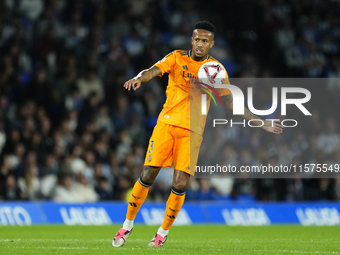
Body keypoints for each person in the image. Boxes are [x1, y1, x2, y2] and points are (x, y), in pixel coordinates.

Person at [112, 21, 283, 248]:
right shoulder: (177, 57)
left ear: (211, 43)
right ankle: (127, 226)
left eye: (205, 40)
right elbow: (152, 70)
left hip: (192, 132)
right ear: (191, 39)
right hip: (166, 125)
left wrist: (262, 123)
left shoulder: (217, 71)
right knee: (148, 174)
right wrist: (138, 78)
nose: (199, 44)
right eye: (196, 39)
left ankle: (162, 233)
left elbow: (232, 104)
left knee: (180, 183)